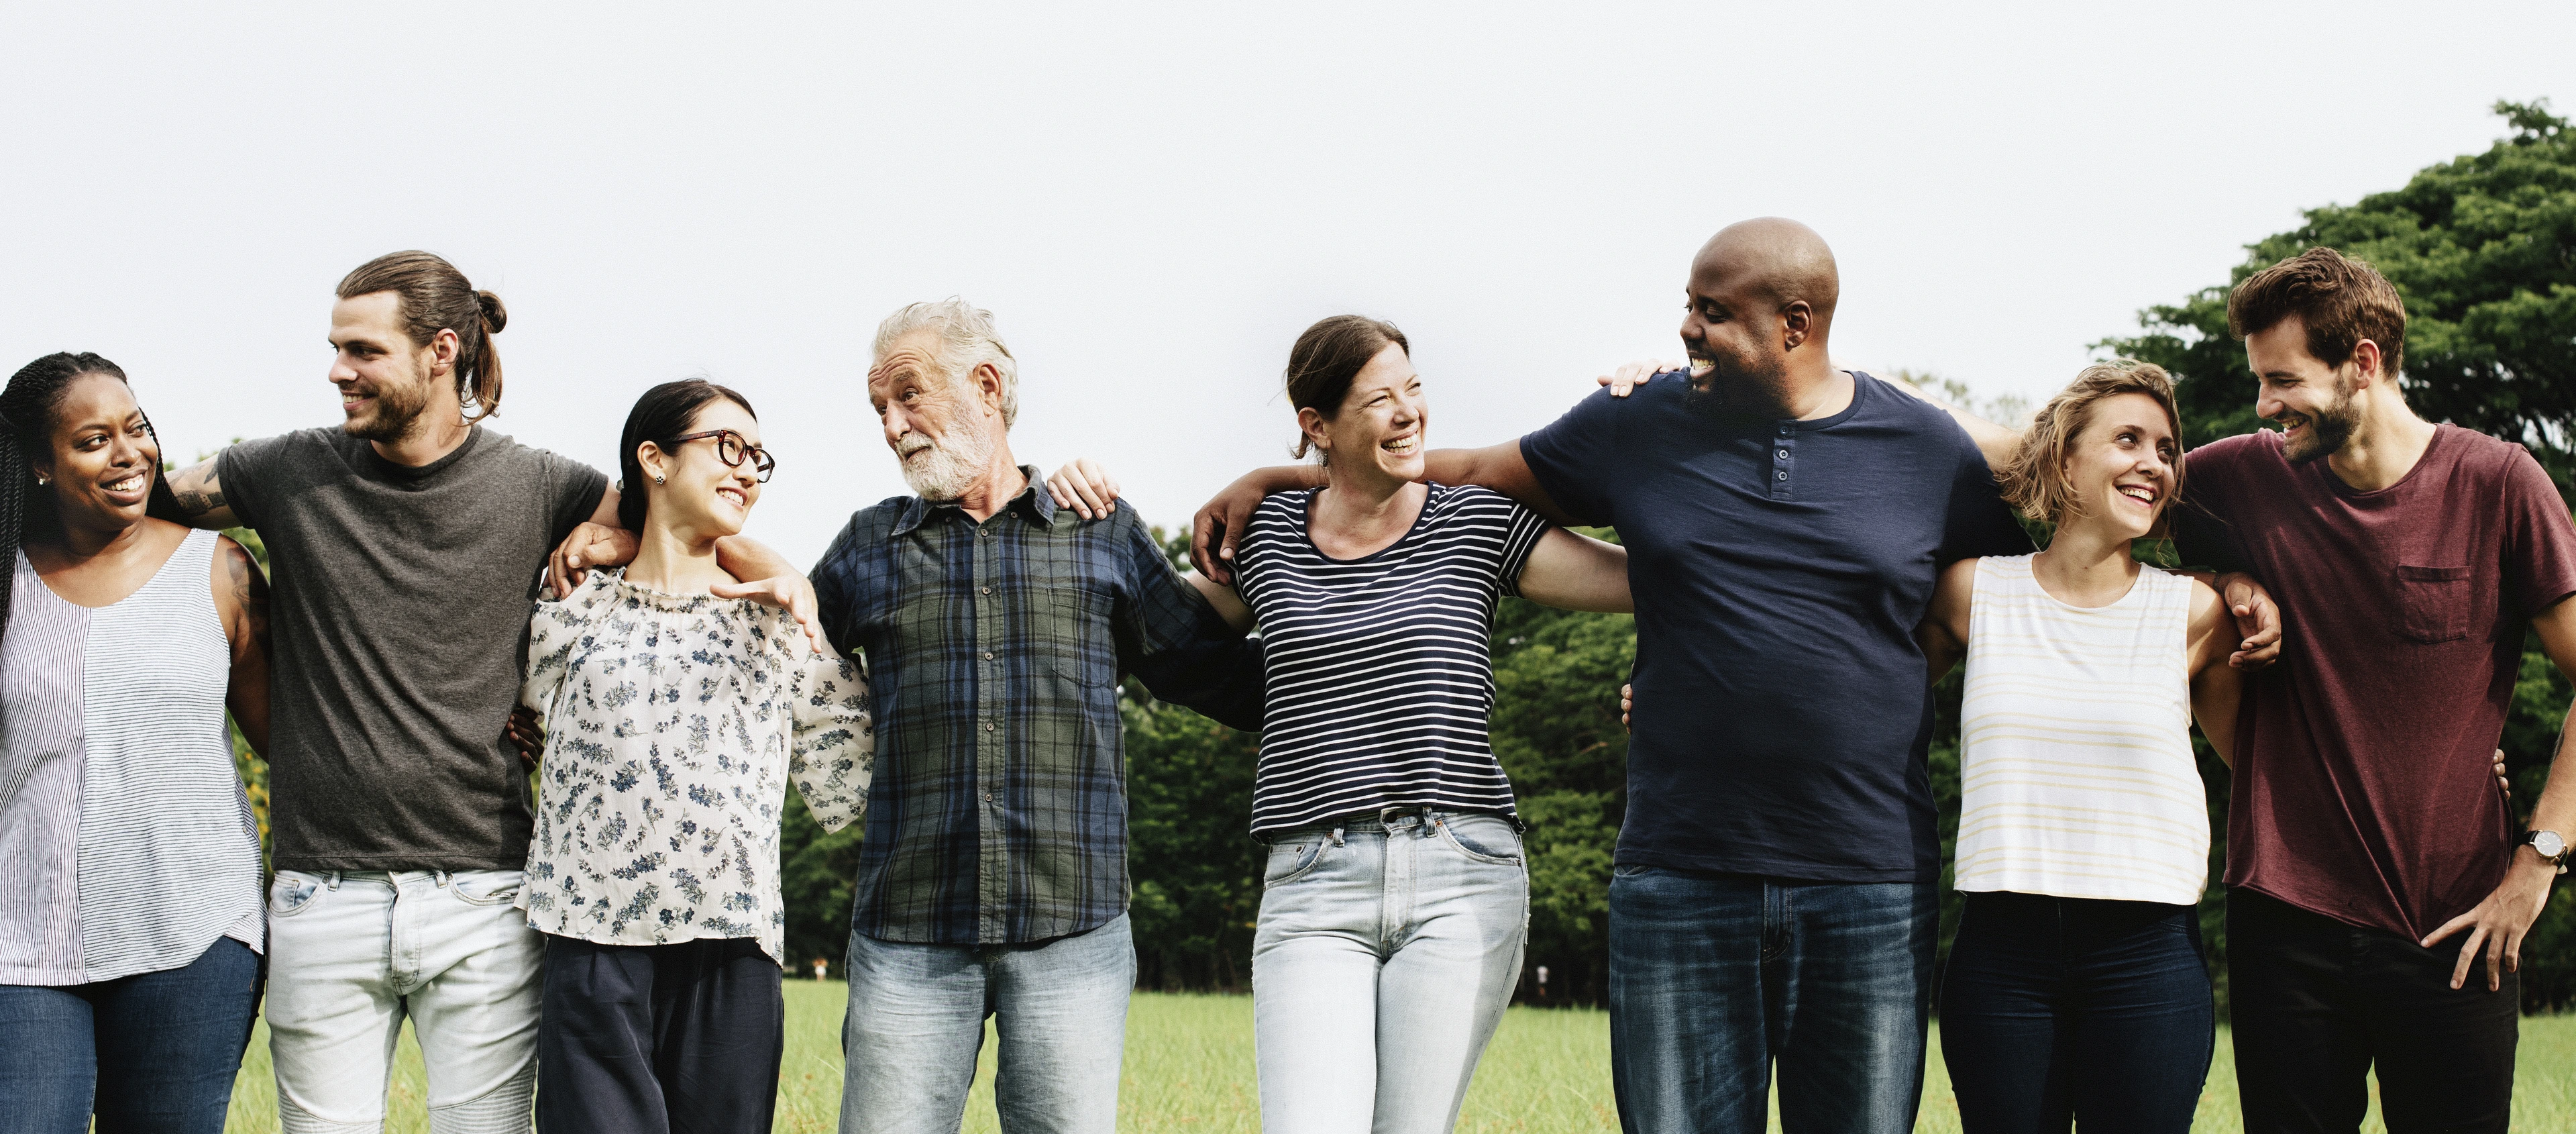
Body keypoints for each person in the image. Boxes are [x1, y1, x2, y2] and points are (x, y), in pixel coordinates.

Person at [1193, 219, 2283, 1134]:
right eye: (1689, 304)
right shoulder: (1639, 422)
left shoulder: (1925, 448)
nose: (1686, 326)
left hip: (1866, 879)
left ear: (1795, 327)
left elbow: (2091, 497)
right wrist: (1292, 471)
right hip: (1679, 874)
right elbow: (1466, 468)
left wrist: (2235, 574)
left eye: (1713, 310)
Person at [162, 250, 809, 1132]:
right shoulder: (285, 471)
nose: (336, 368)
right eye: (335, 346)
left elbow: (684, 516)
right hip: (322, 892)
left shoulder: (545, 485)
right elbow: (135, 503)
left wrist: (777, 569)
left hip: (485, 896)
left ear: (440, 351)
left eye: (361, 349)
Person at [1068, 315, 1631, 1133]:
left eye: (1414, 389)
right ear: (1316, 426)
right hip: (1312, 881)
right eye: (1379, 400)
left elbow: (1645, 583)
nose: (1408, 412)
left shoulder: (1476, 521)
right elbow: (1156, 626)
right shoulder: (1262, 535)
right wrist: (1083, 516)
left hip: (1461, 870)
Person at [805, 298, 1267, 1134]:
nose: (891, 424)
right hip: (909, 929)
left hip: (1073, 930)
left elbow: (1221, 676)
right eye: (878, 408)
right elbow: (765, 673)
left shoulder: (1101, 532)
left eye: (907, 396)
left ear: (985, 385)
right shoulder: (867, 547)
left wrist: (1357, 622)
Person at [2161, 248, 2576, 1133]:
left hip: (2457, 922)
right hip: (2284, 917)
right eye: (2259, 383)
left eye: (2282, 380)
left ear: (2364, 361)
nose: (2264, 406)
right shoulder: (2234, 478)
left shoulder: (2501, 484)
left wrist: (2536, 865)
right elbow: (2093, 490)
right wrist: (2230, 576)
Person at [519, 379, 871, 1132]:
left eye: (758, 457)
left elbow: (858, 777)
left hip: (732, 947)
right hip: (591, 943)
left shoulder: (782, 628)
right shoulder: (569, 614)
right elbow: (518, 736)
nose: (748, 469)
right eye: (727, 447)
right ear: (653, 459)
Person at [1913, 362, 2244, 1133]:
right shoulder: (1971, 592)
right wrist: (1681, 695)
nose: (2153, 463)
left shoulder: (2196, 612)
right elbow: (1854, 695)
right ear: (2064, 461)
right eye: (2127, 439)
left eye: (2166, 449)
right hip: (2003, 953)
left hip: (2148, 955)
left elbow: (2267, 766)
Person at [0, 352, 271, 1133]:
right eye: (93, 440)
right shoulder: (8, 580)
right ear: (39, 464)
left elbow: (290, 739)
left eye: (137, 429)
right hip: (23, 935)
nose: (129, 455)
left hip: (192, 930)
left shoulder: (216, 571)